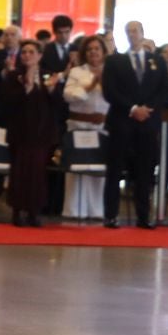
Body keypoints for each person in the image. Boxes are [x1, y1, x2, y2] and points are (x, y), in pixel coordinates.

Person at [102, 21, 168, 230]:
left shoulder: (156, 60)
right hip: (122, 121)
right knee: (115, 170)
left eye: (135, 31)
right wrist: (132, 108)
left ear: (142, 33)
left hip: (148, 123)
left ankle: (143, 216)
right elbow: (109, 91)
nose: (132, 35)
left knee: (145, 171)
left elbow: (164, 92)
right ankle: (111, 216)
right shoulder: (115, 61)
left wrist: (148, 108)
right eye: (128, 31)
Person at [1, 41, 59, 227]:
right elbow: (8, 102)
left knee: (37, 174)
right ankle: (17, 211)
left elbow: (57, 104)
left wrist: (51, 91)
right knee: (19, 172)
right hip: (20, 132)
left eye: (31, 52)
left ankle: (34, 211)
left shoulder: (47, 75)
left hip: (41, 133)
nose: (27, 55)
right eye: (24, 52)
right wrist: (25, 87)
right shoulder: (13, 76)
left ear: (39, 55)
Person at [60, 36, 109, 222]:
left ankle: (97, 210)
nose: (93, 52)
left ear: (103, 52)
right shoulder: (76, 72)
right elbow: (68, 95)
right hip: (79, 125)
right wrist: (89, 87)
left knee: (98, 169)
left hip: (102, 126)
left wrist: (103, 84)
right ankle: (74, 210)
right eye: (89, 49)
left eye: (97, 49)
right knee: (76, 168)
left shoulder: (110, 72)